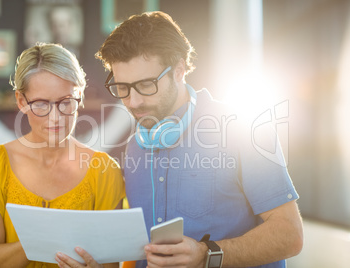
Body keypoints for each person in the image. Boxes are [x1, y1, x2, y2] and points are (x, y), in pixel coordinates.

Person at [94, 11, 303, 268]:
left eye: (146, 85)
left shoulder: (243, 129)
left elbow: (290, 235)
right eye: (122, 88)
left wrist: (207, 255)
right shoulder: (135, 146)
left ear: (179, 70)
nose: (133, 102)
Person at [0, 43, 125, 268]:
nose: (56, 118)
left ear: (79, 97)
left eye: (65, 102)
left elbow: (110, 265)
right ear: (21, 101)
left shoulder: (104, 169)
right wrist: (51, 233)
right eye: (41, 104)